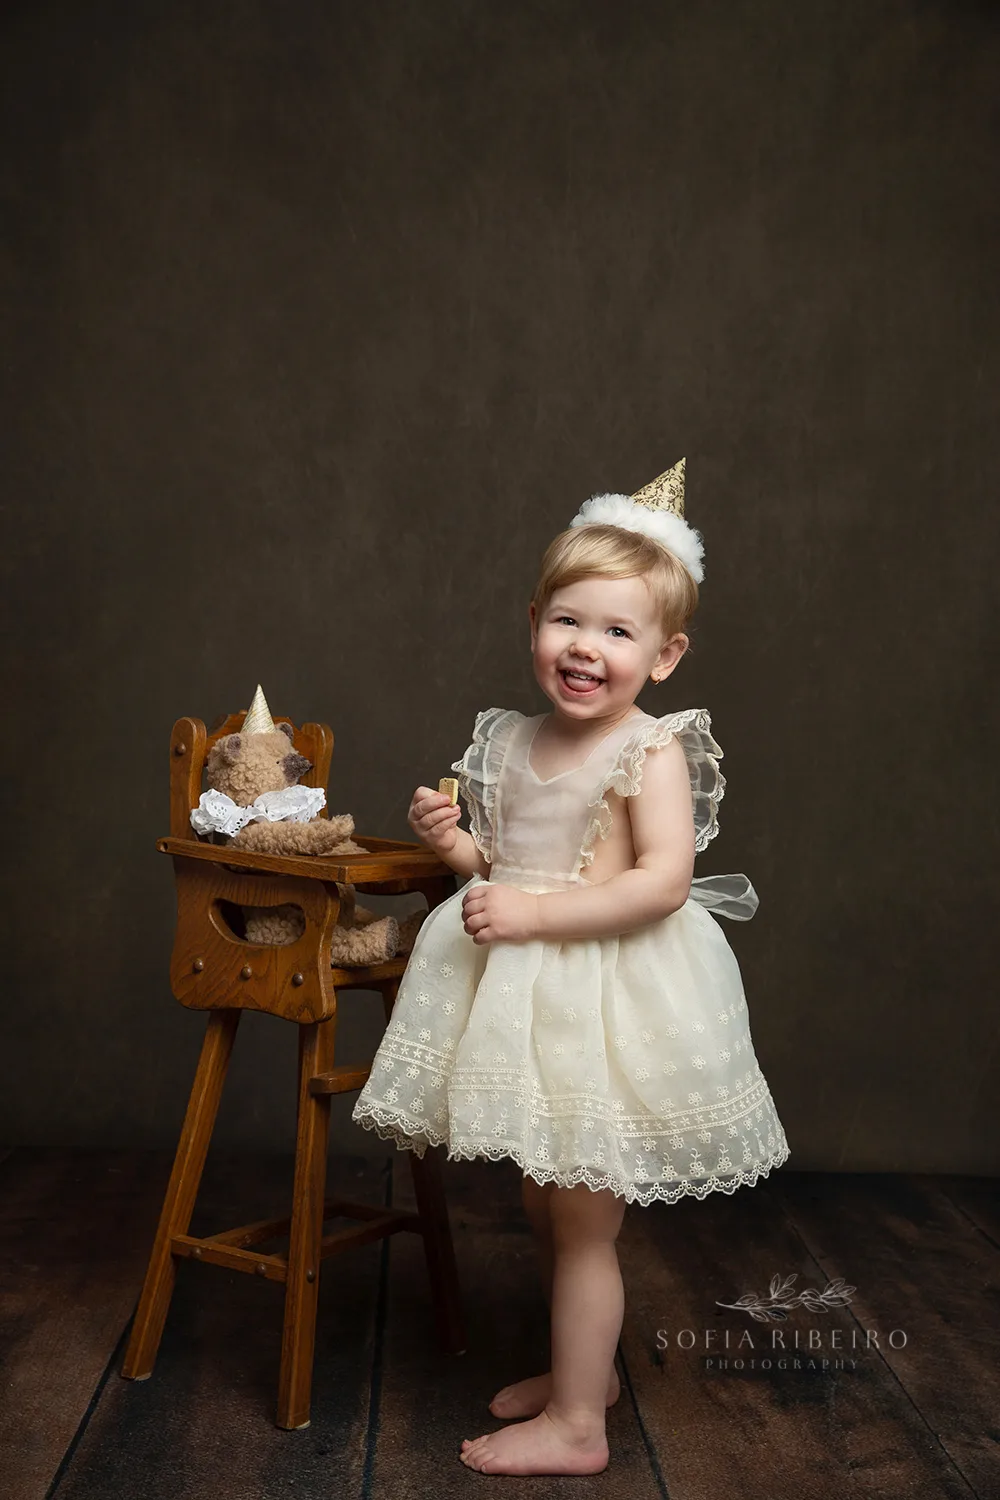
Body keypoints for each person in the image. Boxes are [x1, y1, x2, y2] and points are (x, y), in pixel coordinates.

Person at [352, 458, 790, 1476]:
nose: (585, 648)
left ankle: (580, 1427)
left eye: (618, 631)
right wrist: (453, 842)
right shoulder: (509, 740)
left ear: (665, 655)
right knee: (542, 1197)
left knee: (585, 1213)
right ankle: (577, 1369)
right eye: (567, 622)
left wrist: (536, 917)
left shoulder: (653, 750)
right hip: (526, 992)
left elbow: (661, 884)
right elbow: (504, 866)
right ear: (535, 619)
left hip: (605, 989)